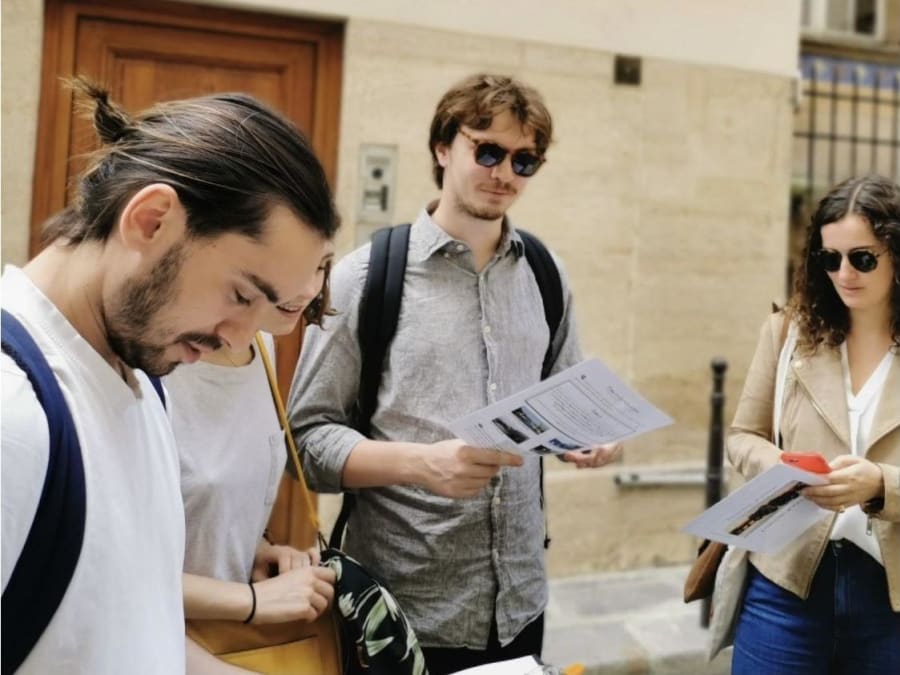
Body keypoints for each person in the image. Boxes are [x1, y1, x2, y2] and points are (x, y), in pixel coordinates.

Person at [287, 73, 621, 674]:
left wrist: (586, 437)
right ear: (444, 148)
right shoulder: (364, 279)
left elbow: (565, 399)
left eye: (524, 161)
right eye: (487, 150)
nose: (504, 174)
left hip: (518, 604)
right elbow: (306, 441)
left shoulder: (546, 274)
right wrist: (422, 463)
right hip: (401, 610)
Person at [1, 79, 339, 674]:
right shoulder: (16, 413)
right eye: (240, 294)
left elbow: (128, 620)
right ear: (152, 220)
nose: (238, 338)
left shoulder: (140, 377)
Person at [727, 174, 900, 674]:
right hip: (784, 583)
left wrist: (879, 485)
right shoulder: (789, 332)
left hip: (891, 599)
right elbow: (741, 437)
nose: (844, 272)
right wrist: (781, 467)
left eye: (862, 258)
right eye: (830, 259)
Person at [166, 295, 337, 673]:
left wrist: (259, 550)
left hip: (234, 645)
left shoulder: (262, 347)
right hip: (167, 650)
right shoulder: (155, 363)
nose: (309, 286)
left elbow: (207, 504)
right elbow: (117, 574)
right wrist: (254, 601)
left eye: (323, 266)